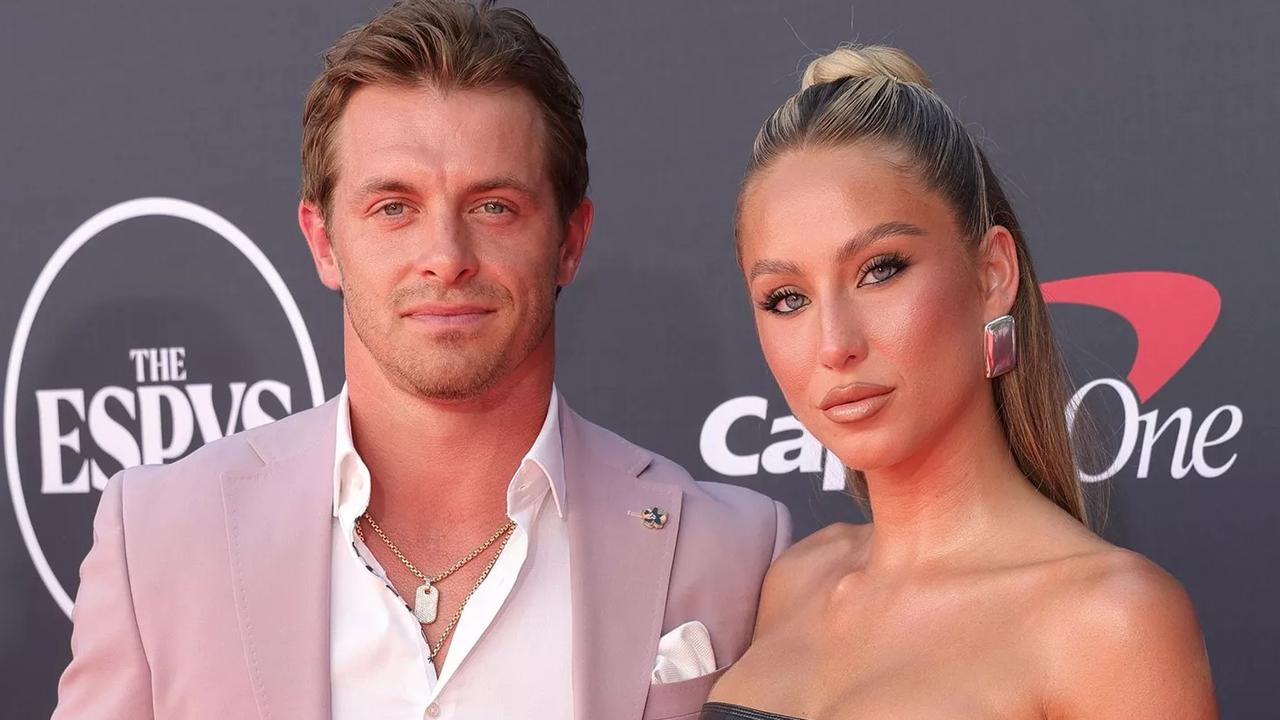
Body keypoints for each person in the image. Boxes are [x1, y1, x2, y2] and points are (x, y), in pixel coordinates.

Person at [51, 2, 790, 718]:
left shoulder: (731, 550)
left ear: (569, 240)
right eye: (393, 207)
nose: (445, 258)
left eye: (494, 205)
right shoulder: (159, 539)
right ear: (322, 242)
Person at [703, 45, 1217, 720]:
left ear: (992, 274)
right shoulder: (794, 582)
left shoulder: (1110, 623)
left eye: (880, 269)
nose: (834, 345)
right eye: (786, 298)